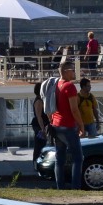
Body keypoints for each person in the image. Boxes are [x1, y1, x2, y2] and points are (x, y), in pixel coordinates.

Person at [48, 61, 85, 190]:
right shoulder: (70, 86)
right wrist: (81, 125)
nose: (74, 72)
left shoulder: (57, 84)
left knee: (60, 158)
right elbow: (74, 109)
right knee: (78, 158)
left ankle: (60, 187)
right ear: (66, 71)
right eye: (72, 70)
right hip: (68, 126)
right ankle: (76, 187)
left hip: (56, 125)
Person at [30, 81, 49, 174]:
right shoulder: (38, 101)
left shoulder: (41, 99)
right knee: (39, 145)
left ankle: (39, 164)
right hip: (39, 125)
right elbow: (39, 116)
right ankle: (36, 164)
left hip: (43, 125)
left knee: (42, 145)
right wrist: (43, 129)